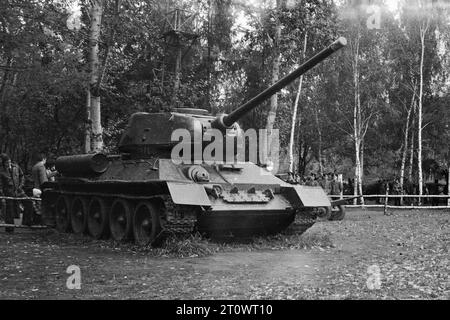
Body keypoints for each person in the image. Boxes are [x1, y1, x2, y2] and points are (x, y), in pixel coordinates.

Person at [0, 153, 29, 232]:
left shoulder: (16, 167)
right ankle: (9, 228)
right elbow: (0, 184)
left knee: (28, 202)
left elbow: (22, 176)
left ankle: (27, 222)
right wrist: (2, 194)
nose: (8, 164)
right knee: (10, 210)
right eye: (6, 162)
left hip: (18, 190)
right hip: (8, 192)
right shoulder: (1, 171)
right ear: (3, 163)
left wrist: (21, 185)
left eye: (9, 162)